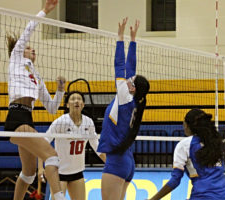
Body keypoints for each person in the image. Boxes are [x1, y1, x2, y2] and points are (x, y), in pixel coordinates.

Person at [4, 1, 67, 199]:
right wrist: (45, 11)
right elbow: (28, 32)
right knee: (52, 156)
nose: (33, 50)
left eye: (33, 49)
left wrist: (60, 90)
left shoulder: (37, 77)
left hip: (27, 118)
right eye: (29, 48)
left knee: (29, 173)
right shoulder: (16, 59)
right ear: (20, 50)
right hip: (16, 116)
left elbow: (51, 107)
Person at [97, 17, 150, 200]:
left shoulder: (124, 96)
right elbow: (131, 67)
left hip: (117, 161)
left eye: (132, 80)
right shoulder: (134, 101)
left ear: (133, 88)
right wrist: (133, 40)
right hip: (126, 161)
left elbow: (120, 65)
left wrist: (120, 37)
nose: (129, 78)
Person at [149, 109, 225, 200]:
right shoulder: (216, 142)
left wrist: (153, 199)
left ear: (186, 125)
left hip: (202, 196)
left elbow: (175, 180)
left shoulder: (185, 145)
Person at [42, 91, 106, 200]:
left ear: (83, 104)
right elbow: (43, 144)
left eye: (79, 99)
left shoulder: (88, 122)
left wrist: (109, 162)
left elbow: (96, 146)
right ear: (67, 105)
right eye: (72, 99)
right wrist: (40, 168)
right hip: (59, 173)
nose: (76, 101)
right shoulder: (60, 122)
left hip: (77, 173)